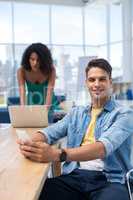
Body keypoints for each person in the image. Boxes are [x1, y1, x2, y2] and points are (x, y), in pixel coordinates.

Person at [18, 58, 133, 200]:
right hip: (76, 175)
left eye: (102, 79)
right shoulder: (76, 113)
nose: (96, 84)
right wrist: (30, 143)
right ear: (86, 83)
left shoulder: (125, 114)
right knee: (38, 194)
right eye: (92, 80)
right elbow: (51, 132)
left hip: (110, 180)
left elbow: (102, 148)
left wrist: (58, 155)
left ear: (110, 83)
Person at [17, 43, 60, 110]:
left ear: (44, 60)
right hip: (31, 105)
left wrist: (45, 111)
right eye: (32, 59)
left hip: (50, 105)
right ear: (28, 59)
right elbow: (22, 92)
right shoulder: (21, 71)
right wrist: (23, 110)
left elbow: (49, 92)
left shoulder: (51, 70)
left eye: (38, 60)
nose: (35, 63)